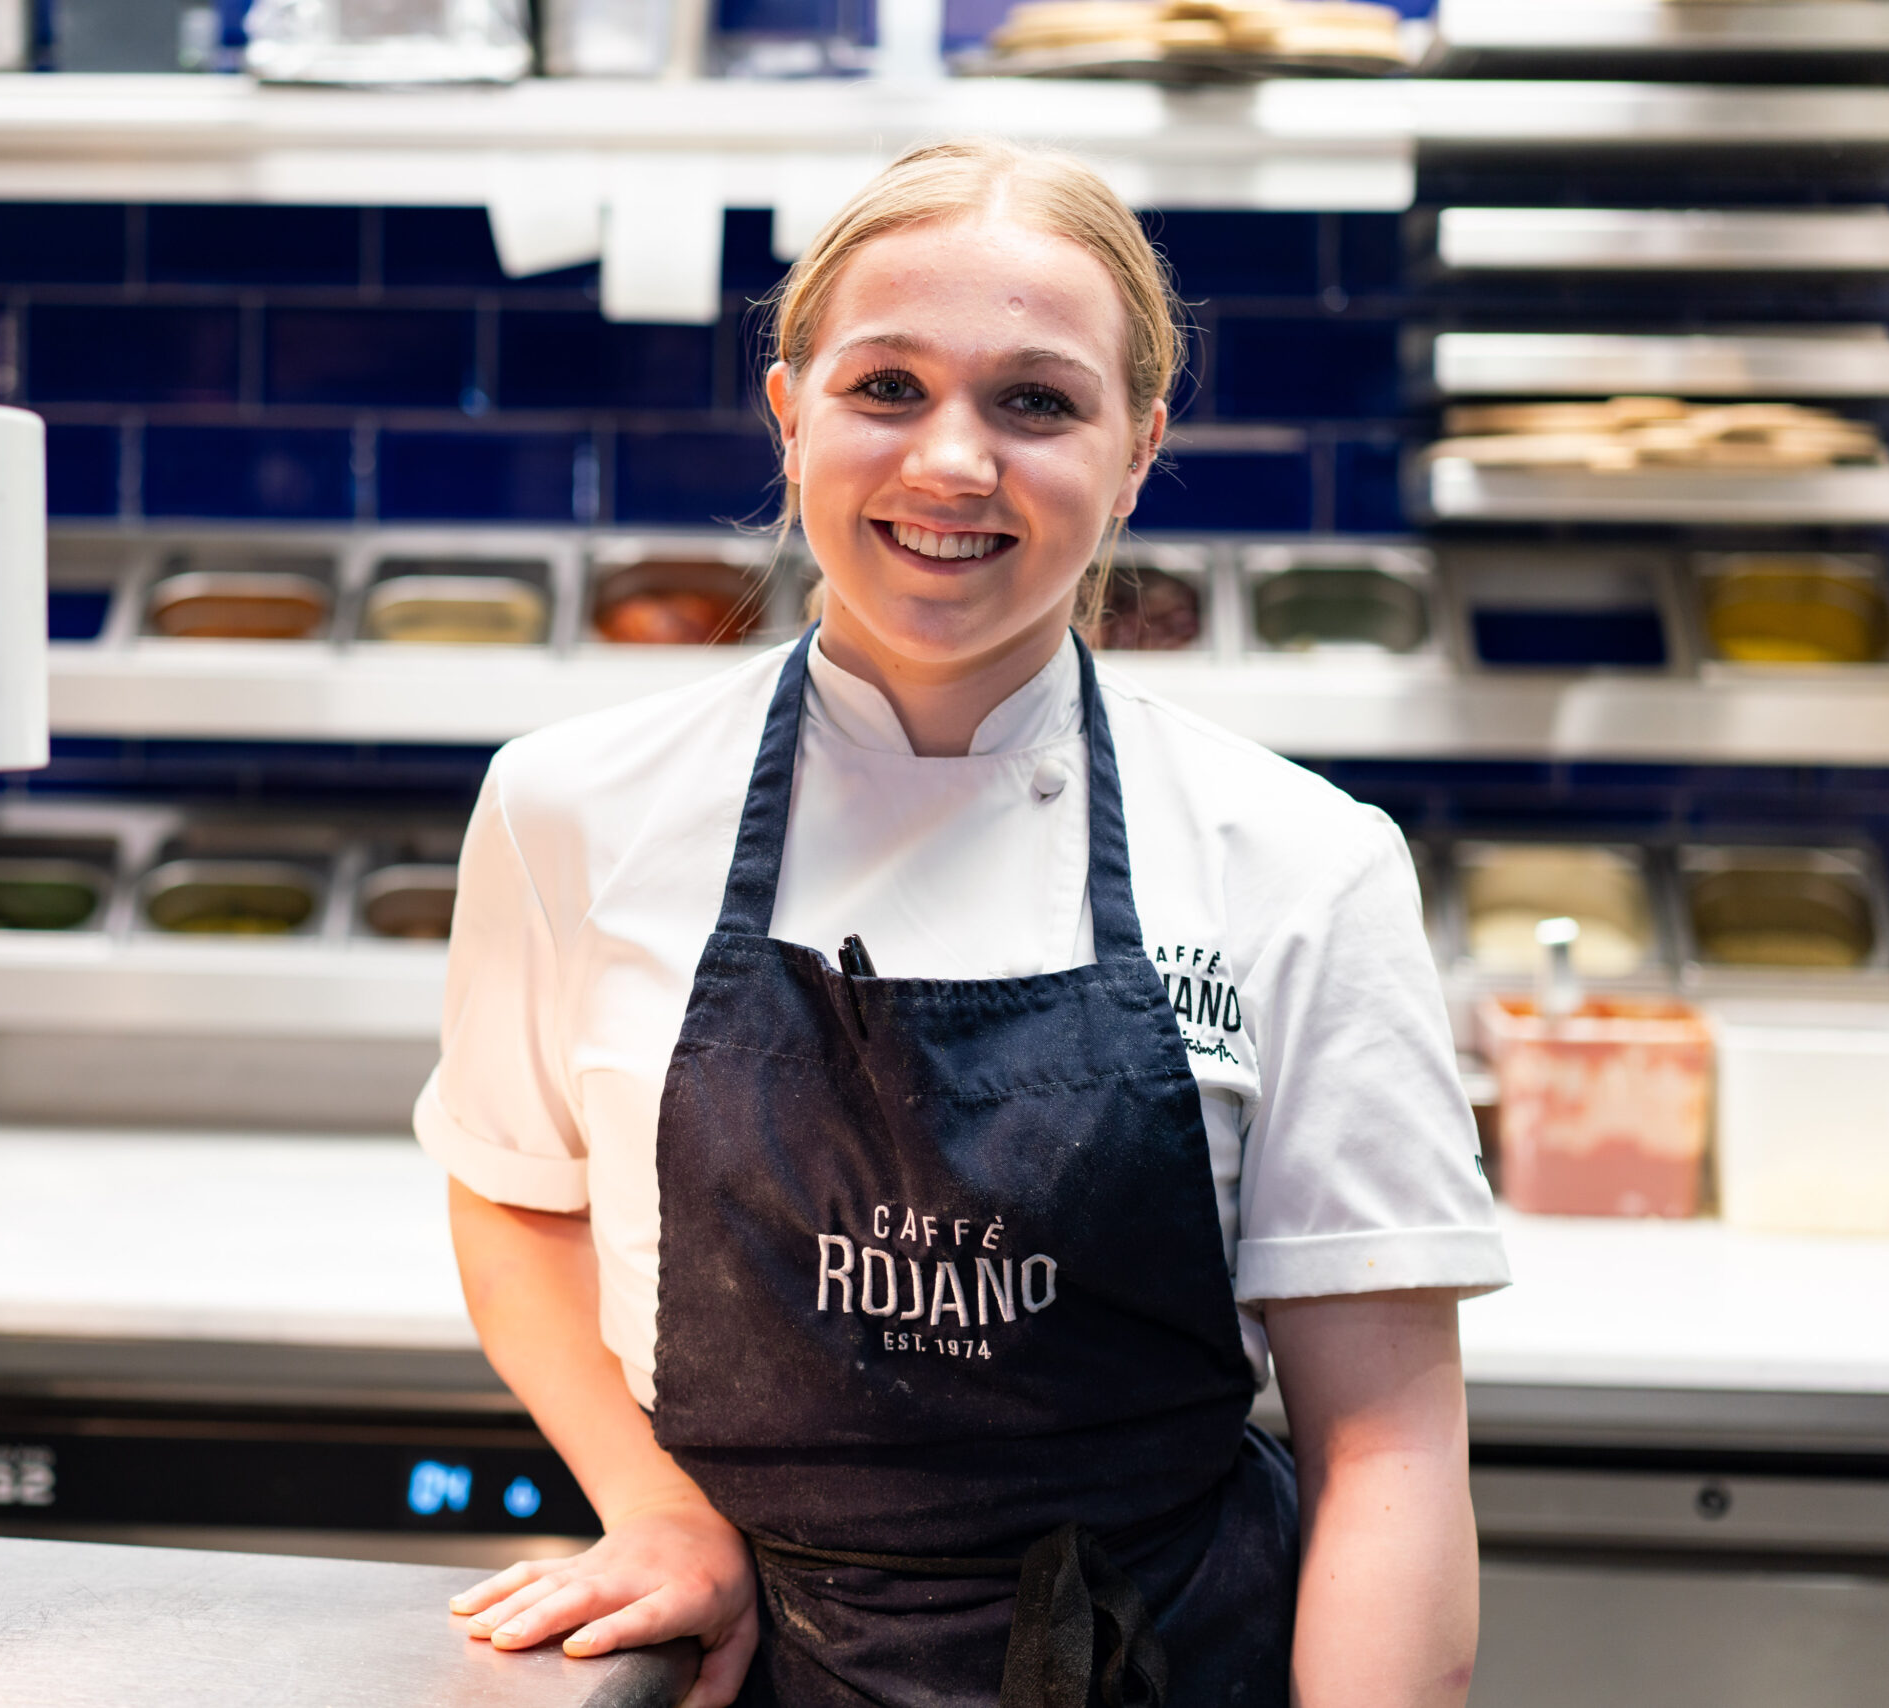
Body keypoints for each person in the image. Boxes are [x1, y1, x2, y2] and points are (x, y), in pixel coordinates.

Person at [421, 138, 1509, 1708]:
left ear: (1136, 454)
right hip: (747, 1673)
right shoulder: (569, 808)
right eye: (886, 388)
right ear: (789, 415)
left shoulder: (1299, 864)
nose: (951, 462)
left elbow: (1388, 1449)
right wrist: (658, 1506)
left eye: (1037, 402)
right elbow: (516, 1201)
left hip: (1164, 1662)